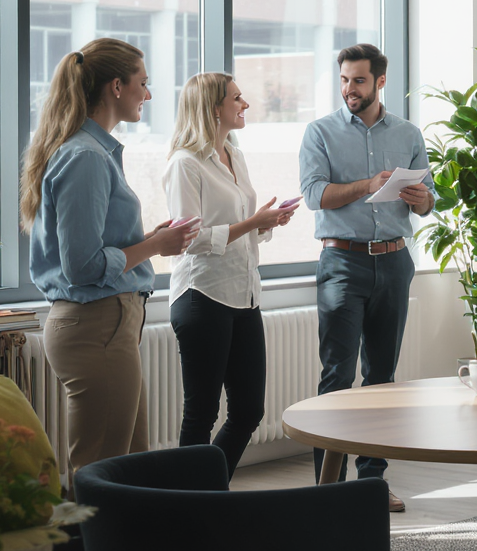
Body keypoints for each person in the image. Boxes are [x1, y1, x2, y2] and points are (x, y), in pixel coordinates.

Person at [22, 38, 200, 474]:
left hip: (104, 325)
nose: (149, 94)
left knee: (124, 467)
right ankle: (84, 545)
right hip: (95, 325)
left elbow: (95, 249)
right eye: (144, 83)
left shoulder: (92, 152)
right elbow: (81, 268)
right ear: (116, 87)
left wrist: (147, 240)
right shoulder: (86, 157)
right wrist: (154, 247)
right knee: (100, 472)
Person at [299, 43, 433, 512]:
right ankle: (329, 487)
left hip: (395, 262)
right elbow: (315, 195)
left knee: (381, 379)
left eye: (357, 80)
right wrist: (366, 186)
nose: (348, 89)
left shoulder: (409, 133)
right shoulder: (320, 133)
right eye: (343, 80)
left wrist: (419, 198)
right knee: (337, 375)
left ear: (379, 82)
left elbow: (430, 199)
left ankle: (373, 482)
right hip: (342, 262)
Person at [163, 73, 298, 480]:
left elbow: (237, 225)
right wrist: (252, 222)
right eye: (237, 98)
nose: (246, 104)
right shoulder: (184, 164)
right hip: (202, 295)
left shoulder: (233, 154)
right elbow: (188, 239)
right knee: (201, 413)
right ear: (213, 108)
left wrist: (266, 222)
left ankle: (207, 492)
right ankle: (192, 508)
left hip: (244, 294)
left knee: (249, 411)